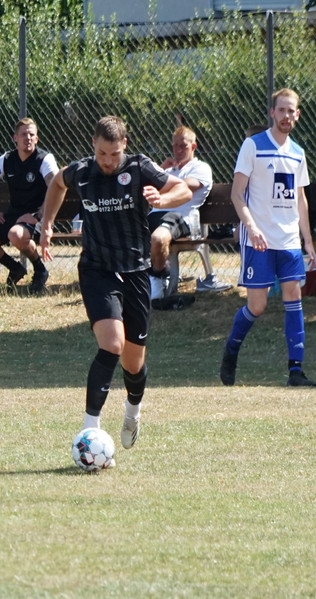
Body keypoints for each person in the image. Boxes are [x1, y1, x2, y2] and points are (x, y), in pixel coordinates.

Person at [40, 115, 191, 450]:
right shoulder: (82, 171)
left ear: (125, 145)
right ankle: (88, 430)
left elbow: (182, 189)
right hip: (97, 269)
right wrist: (47, 224)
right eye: (102, 153)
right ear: (93, 144)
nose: (108, 161)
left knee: (133, 364)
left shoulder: (139, 167)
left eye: (114, 154)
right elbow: (57, 184)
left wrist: (162, 200)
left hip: (135, 271)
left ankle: (133, 411)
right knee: (112, 344)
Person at [220, 88, 316, 388]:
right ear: (272, 113)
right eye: (282, 110)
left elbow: (300, 198)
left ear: (297, 115)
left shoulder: (298, 153)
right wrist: (251, 227)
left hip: (288, 241)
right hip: (258, 241)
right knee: (257, 306)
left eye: (291, 111)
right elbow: (237, 194)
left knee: (293, 297)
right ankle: (231, 350)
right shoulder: (253, 146)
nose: (286, 116)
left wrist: (307, 240)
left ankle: (295, 371)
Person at [0, 117, 59, 294]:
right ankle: (15, 268)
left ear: (37, 138)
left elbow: (55, 187)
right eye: (23, 134)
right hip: (13, 215)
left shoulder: (44, 159)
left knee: (15, 235)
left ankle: (40, 270)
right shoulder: (7, 159)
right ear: (15, 138)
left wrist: (38, 216)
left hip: (37, 216)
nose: (28, 138)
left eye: (31, 134)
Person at [148, 125, 231, 296]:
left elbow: (184, 186)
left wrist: (161, 180)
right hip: (154, 215)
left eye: (183, 146)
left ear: (193, 146)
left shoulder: (200, 168)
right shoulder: (168, 170)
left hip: (180, 218)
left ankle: (157, 279)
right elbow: (146, 188)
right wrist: (161, 169)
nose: (178, 150)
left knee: (158, 238)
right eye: (175, 146)